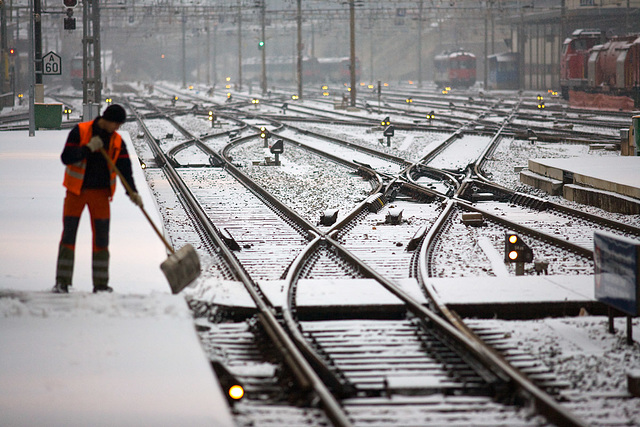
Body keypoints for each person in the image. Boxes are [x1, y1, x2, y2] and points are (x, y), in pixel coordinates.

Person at [53, 104, 143, 293]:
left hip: (101, 195)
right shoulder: (80, 131)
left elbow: (125, 170)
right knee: (69, 236)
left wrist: (133, 192)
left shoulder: (117, 141)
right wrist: (88, 148)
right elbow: (66, 157)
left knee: (102, 239)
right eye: (116, 124)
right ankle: (62, 282)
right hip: (75, 192)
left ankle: (101, 285)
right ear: (107, 120)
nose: (117, 128)